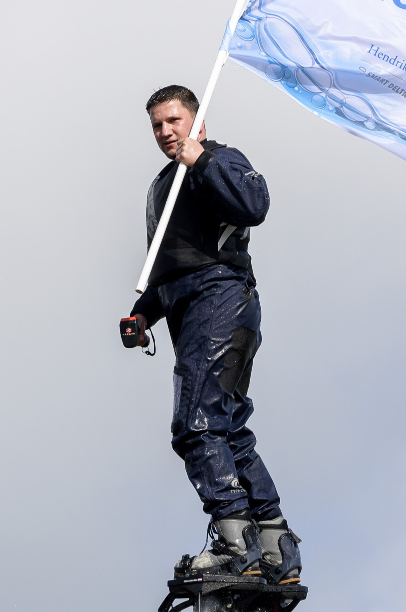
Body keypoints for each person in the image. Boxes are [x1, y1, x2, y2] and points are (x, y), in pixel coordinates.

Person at [122, 85, 300, 584]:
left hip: (223, 300)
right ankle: (274, 547)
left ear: (196, 120)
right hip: (188, 307)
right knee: (225, 426)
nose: (165, 132)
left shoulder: (219, 160)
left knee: (196, 423)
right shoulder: (162, 187)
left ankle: (233, 544)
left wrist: (201, 159)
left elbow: (254, 204)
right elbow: (171, 270)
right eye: (157, 125)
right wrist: (142, 315)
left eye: (173, 121)